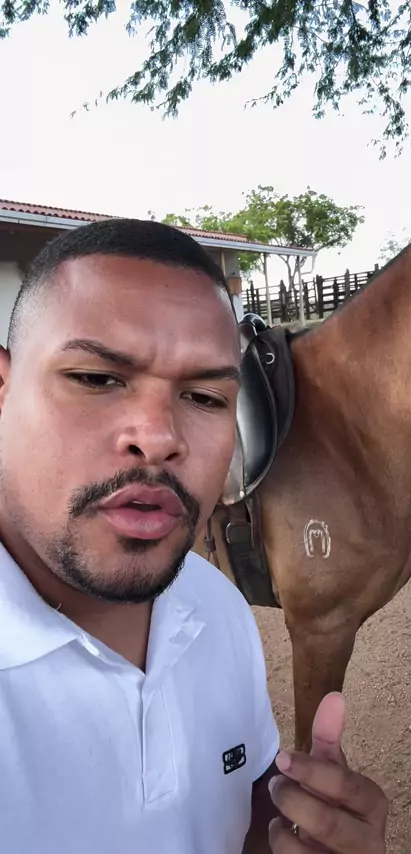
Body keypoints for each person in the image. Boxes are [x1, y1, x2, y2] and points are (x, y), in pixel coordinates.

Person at [0, 218, 388, 852]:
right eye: (96, 378)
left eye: (206, 397)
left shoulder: (215, 608)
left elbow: (246, 813)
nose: (159, 437)